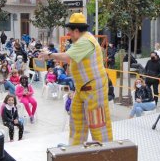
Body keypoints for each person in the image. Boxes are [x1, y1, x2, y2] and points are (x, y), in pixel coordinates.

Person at [39, 13, 113, 145]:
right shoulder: (81, 40)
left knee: (97, 124)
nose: (69, 35)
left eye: (70, 32)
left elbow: (68, 57)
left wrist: (49, 55)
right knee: (76, 117)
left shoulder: (86, 41)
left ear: (77, 31)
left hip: (94, 90)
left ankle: (105, 151)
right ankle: (75, 148)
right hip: (82, 88)